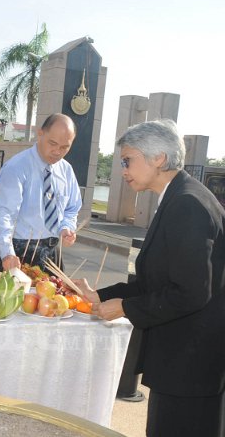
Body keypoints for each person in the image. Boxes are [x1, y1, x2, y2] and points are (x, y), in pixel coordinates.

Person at [76, 119, 225, 437]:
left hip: (191, 363)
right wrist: (101, 296)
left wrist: (126, 309)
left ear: (158, 158)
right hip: (182, 359)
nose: (123, 169)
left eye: (127, 160)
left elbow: (191, 292)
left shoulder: (188, 204)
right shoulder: (178, 196)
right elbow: (156, 281)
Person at [0, 113, 81, 271]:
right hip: (19, 252)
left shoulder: (66, 170)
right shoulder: (16, 168)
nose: (57, 151)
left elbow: (72, 208)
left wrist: (66, 227)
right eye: (53, 143)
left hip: (53, 253)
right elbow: (3, 214)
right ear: (40, 134)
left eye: (65, 147)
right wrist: (6, 253)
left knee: (58, 295)